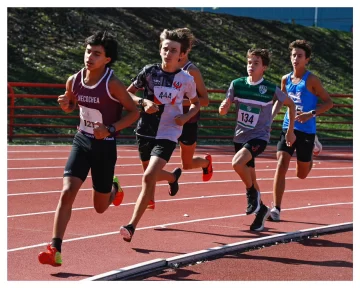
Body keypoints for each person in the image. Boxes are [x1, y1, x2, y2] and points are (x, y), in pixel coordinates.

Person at [38, 31, 139, 266]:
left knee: (100, 207)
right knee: (67, 191)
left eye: (97, 54)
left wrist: (111, 129)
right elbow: (72, 105)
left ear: (107, 59)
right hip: (82, 140)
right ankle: (55, 248)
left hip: (105, 146)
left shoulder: (112, 84)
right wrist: (66, 104)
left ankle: (114, 188)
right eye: (88, 51)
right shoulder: (74, 80)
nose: (89, 57)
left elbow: (134, 112)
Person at [120, 28, 200, 242]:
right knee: (151, 174)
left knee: (147, 177)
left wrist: (185, 117)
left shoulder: (186, 79)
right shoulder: (149, 72)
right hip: (145, 131)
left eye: (173, 50)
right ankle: (173, 177)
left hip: (168, 133)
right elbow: (127, 93)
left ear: (181, 55)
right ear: (160, 50)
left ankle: (131, 226)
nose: (168, 53)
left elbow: (196, 103)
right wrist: (143, 102)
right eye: (165, 48)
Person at [219, 48, 296, 232]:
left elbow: (290, 105)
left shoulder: (269, 88)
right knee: (251, 177)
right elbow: (224, 109)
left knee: (237, 164)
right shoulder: (237, 84)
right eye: (249, 62)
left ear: (264, 67)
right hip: (240, 136)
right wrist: (224, 107)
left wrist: (290, 131)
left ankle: (251, 194)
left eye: (256, 63)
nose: (251, 66)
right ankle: (261, 210)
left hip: (259, 137)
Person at [269, 40, 333, 222]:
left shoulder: (311, 80)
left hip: (306, 131)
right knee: (281, 163)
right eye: (293, 55)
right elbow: (280, 101)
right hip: (288, 128)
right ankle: (276, 208)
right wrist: (270, 119)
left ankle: (313, 147)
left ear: (307, 60)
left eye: (299, 56)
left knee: (301, 174)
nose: (295, 59)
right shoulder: (285, 79)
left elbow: (329, 102)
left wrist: (310, 113)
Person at [176, 28, 213, 182]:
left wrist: (179, 101)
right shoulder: (165, 68)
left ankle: (206, 162)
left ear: (187, 49)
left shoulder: (192, 71)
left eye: (176, 48)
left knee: (187, 164)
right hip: (167, 120)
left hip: (187, 121)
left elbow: (204, 100)